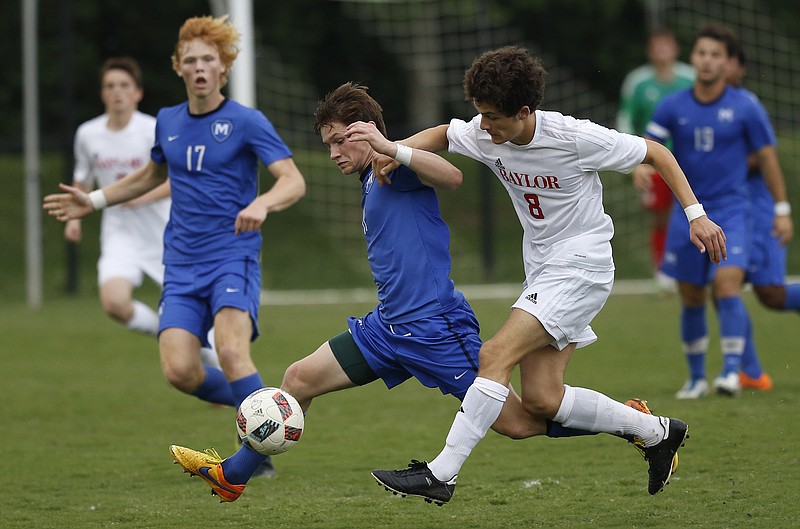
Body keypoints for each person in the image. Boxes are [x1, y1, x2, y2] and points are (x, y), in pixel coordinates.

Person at [167, 82, 672, 503]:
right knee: (297, 378)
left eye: (343, 140)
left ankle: (633, 424)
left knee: (520, 421)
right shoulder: (372, 176)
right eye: (328, 144)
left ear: (369, 133)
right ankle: (232, 477)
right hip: (387, 328)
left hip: (435, 328)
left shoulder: (396, 167)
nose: (335, 152)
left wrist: (397, 150)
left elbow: (450, 175)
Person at [370, 45, 726, 505]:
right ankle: (655, 432)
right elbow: (443, 133)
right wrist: (398, 152)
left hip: (581, 265)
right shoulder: (487, 131)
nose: (484, 126)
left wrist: (696, 215)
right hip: (544, 270)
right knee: (542, 400)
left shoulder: (573, 137)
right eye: (480, 115)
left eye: (494, 117)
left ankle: (441, 474)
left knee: (494, 355)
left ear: (524, 111)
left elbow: (656, 152)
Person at [43, 15, 306, 476]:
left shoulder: (246, 121)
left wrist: (264, 203)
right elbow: (153, 174)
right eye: (191, 61)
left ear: (223, 67)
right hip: (181, 262)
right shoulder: (167, 121)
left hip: (232, 254)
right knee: (179, 371)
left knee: (229, 350)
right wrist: (96, 199)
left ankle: (250, 460)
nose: (200, 67)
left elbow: (293, 180)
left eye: (209, 59)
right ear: (179, 69)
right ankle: (268, 414)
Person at [641, 24, 792, 399]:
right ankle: (695, 379)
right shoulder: (673, 104)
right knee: (691, 295)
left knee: (727, 285)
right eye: (702, 53)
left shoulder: (745, 106)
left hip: (733, 210)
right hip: (689, 210)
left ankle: (730, 372)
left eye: (716, 55)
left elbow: (769, 158)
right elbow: (648, 145)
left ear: (727, 64)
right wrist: (640, 168)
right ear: (692, 59)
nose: (708, 61)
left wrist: (782, 208)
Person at [68, 57, 220, 369]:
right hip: (119, 234)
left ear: (137, 92)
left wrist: (140, 194)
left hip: (166, 233)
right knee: (114, 302)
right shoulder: (88, 134)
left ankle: (215, 364)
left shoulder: (154, 129)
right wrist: (72, 218)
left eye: (124, 85)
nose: (117, 92)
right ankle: (167, 334)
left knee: (201, 318)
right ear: (102, 94)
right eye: (110, 86)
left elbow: (181, 179)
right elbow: (82, 181)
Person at [727, 46, 796, 391]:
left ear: (739, 68)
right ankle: (751, 372)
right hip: (727, 209)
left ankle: (750, 371)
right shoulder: (692, 105)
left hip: (756, 209)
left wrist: (712, 157)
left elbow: (762, 158)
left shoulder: (746, 106)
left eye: (724, 58)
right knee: (724, 286)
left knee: (771, 293)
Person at [616, 28, 695, 292]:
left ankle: (692, 265)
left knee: (692, 211)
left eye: (666, 45)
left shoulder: (690, 78)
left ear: (675, 49)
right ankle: (662, 268)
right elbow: (626, 119)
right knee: (661, 216)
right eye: (656, 46)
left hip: (690, 160)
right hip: (653, 161)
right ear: (650, 51)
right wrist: (634, 157)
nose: (661, 51)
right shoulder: (638, 82)